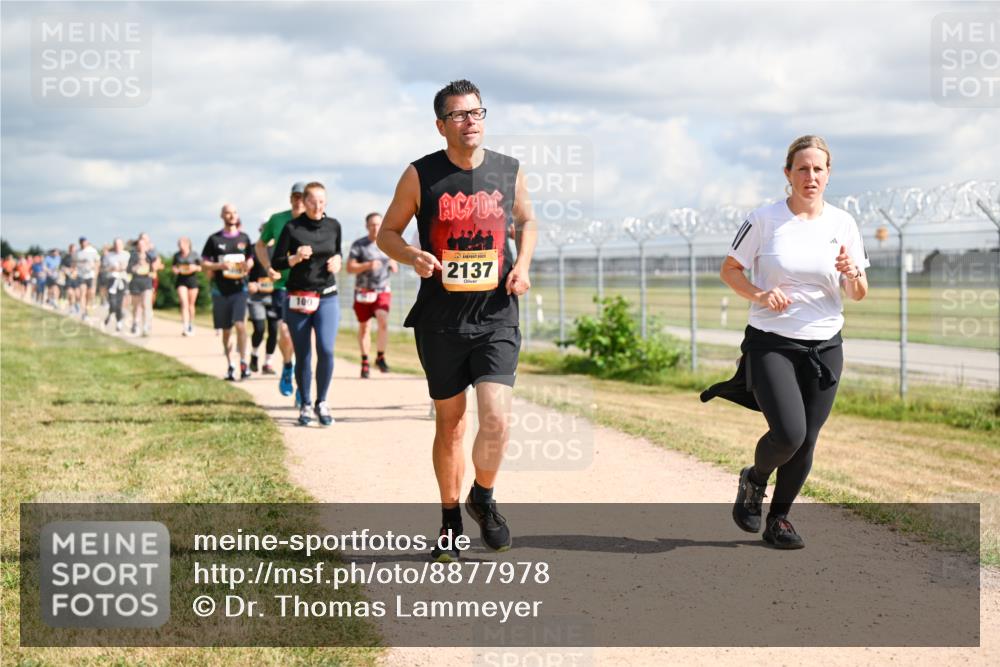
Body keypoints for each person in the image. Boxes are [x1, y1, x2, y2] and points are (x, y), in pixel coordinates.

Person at [377, 79, 537, 561]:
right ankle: (449, 519)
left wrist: (523, 266)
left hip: (496, 314)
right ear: (441, 124)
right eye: (461, 115)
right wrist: (411, 256)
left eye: (478, 113)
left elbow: (526, 220)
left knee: (497, 419)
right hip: (441, 319)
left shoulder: (509, 171)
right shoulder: (420, 175)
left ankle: (482, 498)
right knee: (450, 424)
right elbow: (387, 233)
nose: (472, 122)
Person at [701, 135, 869, 549]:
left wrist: (853, 273)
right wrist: (758, 294)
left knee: (808, 439)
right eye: (802, 168)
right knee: (789, 435)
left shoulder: (843, 223)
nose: (810, 176)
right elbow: (730, 269)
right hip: (772, 341)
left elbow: (859, 292)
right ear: (787, 174)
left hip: (825, 346)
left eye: (818, 169)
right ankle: (755, 479)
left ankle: (779, 519)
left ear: (829, 174)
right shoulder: (765, 219)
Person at [271, 182, 342, 426]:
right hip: (298, 297)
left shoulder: (334, 226)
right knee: (303, 354)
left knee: (326, 349)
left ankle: (322, 401)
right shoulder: (292, 228)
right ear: (304, 202)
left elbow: (338, 252)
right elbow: (277, 263)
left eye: (322, 201)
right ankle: (305, 404)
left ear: (326, 202)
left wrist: (337, 262)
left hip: (327, 296)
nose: (317, 205)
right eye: (312, 201)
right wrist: (294, 257)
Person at [257, 182, 307, 399]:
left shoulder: (317, 220)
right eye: (295, 196)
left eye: (302, 196)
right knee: (284, 332)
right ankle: (288, 366)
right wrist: (268, 267)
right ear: (290, 198)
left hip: (306, 285)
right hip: (282, 285)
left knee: (303, 336)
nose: (299, 200)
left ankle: (301, 380)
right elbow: (260, 245)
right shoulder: (278, 219)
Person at [201, 204, 254, 381]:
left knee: (240, 324)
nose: (231, 215)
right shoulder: (214, 240)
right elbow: (204, 263)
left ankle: (244, 363)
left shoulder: (245, 238)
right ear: (222, 215)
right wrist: (219, 266)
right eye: (228, 213)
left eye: (234, 212)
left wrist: (248, 266)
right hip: (221, 290)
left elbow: (251, 259)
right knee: (226, 331)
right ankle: (230, 364)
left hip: (240, 289)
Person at [347, 212, 398, 378]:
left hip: (382, 290)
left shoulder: (388, 242)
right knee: (365, 327)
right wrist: (367, 265)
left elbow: (395, 260)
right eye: (372, 224)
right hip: (363, 291)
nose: (376, 227)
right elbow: (349, 268)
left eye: (378, 224)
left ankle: (380, 357)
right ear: (367, 226)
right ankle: (365, 361)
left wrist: (393, 264)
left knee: (383, 319)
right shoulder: (359, 245)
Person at [247, 228, 280, 374]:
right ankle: (254, 354)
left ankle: (268, 363)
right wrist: (249, 283)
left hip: (274, 296)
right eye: (263, 228)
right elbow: (243, 269)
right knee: (259, 329)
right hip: (256, 297)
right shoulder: (253, 249)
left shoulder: (281, 249)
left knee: (273, 331)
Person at [127, 236, 162, 336]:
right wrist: (138, 264)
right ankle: (135, 322)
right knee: (136, 306)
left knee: (146, 305)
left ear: (147, 246)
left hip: (147, 283)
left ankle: (146, 326)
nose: (142, 247)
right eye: (140, 245)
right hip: (136, 283)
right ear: (137, 246)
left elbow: (154, 268)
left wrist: (153, 265)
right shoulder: (133, 256)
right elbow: (129, 270)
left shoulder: (150, 256)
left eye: (144, 245)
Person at [172, 237, 202, 336]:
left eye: (182, 244)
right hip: (181, 280)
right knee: (184, 303)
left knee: (190, 305)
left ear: (188, 244)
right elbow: (174, 267)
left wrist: (195, 268)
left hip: (192, 280)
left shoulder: (195, 254)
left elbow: (201, 267)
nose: (180, 246)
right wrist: (175, 270)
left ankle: (191, 324)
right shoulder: (177, 255)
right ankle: (185, 326)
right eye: (179, 244)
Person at [103, 238, 130, 332]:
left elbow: (128, 267)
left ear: (122, 245)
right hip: (112, 280)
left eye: (119, 245)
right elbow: (104, 268)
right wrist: (112, 268)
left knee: (119, 304)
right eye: (116, 244)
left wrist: (123, 267)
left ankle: (119, 322)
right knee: (112, 302)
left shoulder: (127, 255)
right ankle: (110, 313)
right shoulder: (109, 256)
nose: (118, 247)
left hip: (122, 281)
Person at [75, 237, 101, 320]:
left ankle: (87, 307)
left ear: (87, 242)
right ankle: (84, 312)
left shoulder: (92, 251)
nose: (83, 244)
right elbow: (74, 263)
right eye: (81, 242)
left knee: (90, 294)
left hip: (91, 275)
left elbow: (98, 262)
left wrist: (96, 273)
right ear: (80, 243)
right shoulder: (77, 252)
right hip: (81, 275)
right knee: (82, 292)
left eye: (84, 242)